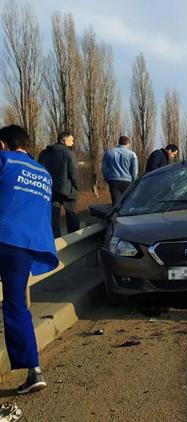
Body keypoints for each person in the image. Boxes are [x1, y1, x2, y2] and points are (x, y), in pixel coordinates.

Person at [0, 125, 59, 395]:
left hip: (3, 236)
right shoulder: (43, 173)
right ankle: (34, 370)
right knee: (15, 306)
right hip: (25, 247)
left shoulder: (4, 160)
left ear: (3, 144)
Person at [38, 130, 80, 238]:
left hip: (50, 190)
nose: (73, 142)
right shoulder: (68, 153)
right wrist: (77, 186)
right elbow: (74, 173)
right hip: (68, 191)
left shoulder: (44, 153)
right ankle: (74, 240)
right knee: (72, 217)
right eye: (72, 140)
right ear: (65, 140)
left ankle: (56, 241)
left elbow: (40, 171)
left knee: (53, 219)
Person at [102, 135, 138, 205]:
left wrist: (107, 178)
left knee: (116, 204)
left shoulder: (109, 152)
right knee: (126, 204)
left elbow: (104, 168)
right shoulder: (132, 154)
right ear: (128, 143)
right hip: (127, 181)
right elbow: (134, 170)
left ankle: (116, 215)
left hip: (113, 180)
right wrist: (133, 181)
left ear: (119, 142)